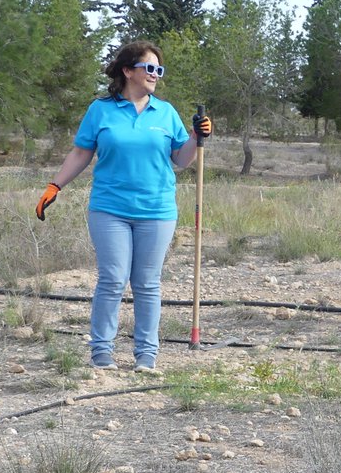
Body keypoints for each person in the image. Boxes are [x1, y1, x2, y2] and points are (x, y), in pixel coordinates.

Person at [35, 40, 211, 373]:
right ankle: (101, 351)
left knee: (146, 282)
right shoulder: (100, 110)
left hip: (156, 211)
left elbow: (182, 160)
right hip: (109, 208)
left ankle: (146, 354)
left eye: (159, 70)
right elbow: (81, 153)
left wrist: (195, 136)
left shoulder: (166, 112)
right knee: (113, 279)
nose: (155, 75)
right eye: (149, 68)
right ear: (128, 71)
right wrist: (55, 185)